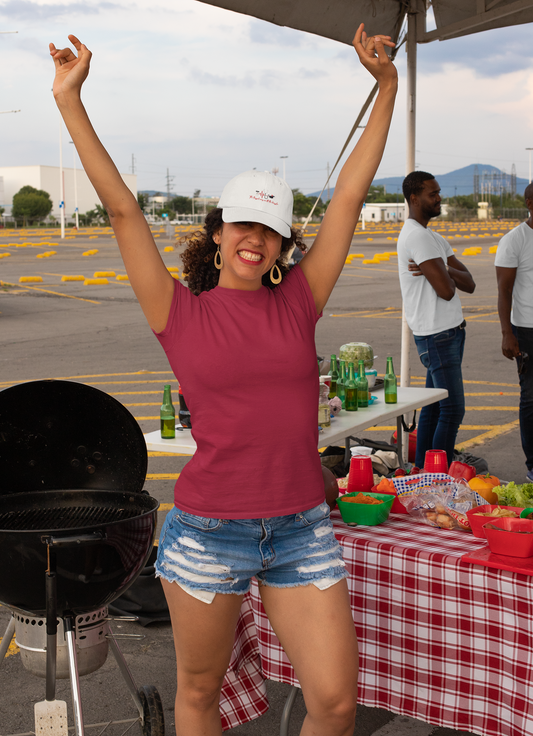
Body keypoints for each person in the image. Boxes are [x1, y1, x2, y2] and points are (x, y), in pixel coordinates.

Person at [50, 26, 397, 736]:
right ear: (217, 231)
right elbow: (122, 211)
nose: (254, 237)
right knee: (200, 696)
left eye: (269, 230)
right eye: (241, 222)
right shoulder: (178, 311)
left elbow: (350, 199)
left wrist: (385, 86)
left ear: (279, 248)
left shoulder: (300, 298)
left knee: (333, 702)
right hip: (209, 533)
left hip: (301, 528)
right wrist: (69, 100)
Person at [397, 171, 476, 468]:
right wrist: (445, 273)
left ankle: (421, 471)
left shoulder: (433, 238)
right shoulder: (417, 236)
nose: (439, 198)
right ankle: (439, 475)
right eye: (433, 194)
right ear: (414, 199)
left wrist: (442, 266)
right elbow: (446, 291)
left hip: (449, 333)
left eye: (439, 191)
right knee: (453, 409)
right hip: (437, 335)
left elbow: (469, 283)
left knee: (432, 409)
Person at [495, 183, 533, 482]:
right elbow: (504, 290)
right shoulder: (514, 240)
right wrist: (507, 332)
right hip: (527, 329)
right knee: (531, 398)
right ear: (529, 203)